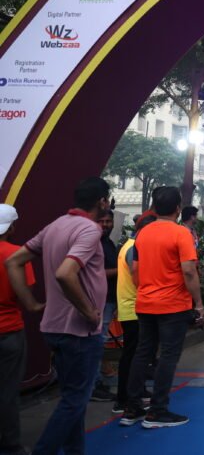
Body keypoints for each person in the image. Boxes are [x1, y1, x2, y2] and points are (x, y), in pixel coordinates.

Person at [6, 178, 110, 453]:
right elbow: (65, 273)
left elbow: (13, 261)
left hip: (54, 327)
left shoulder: (55, 226)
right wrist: (89, 312)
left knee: (71, 398)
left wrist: (30, 304)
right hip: (79, 331)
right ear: (102, 201)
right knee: (75, 400)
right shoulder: (89, 230)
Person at [120, 186, 203, 428]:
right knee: (168, 355)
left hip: (145, 302)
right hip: (173, 305)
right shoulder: (181, 234)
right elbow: (189, 270)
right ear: (178, 208)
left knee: (142, 353)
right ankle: (157, 410)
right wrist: (198, 303)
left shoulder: (143, 233)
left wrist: (146, 289)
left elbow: (134, 269)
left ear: (155, 207)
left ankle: (132, 407)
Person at [112, 214, 155, 415]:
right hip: (133, 308)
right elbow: (138, 277)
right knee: (132, 357)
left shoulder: (131, 245)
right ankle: (125, 399)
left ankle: (133, 393)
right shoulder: (132, 249)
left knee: (134, 355)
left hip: (133, 307)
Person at [0, 204, 33, 454]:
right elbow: (25, 294)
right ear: (11, 227)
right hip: (9, 330)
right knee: (8, 391)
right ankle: (11, 445)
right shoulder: (17, 255)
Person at [91, 208, 118, 401]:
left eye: (109, 221)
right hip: (98, 300)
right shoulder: (93, 243)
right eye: (103, 221)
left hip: (108, 299)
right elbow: (96, 273)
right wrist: (120, 270)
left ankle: (97, 380)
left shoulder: (108, 243)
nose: (106, 225)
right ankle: (92, 385)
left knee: (100, 342)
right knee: (96, 342)